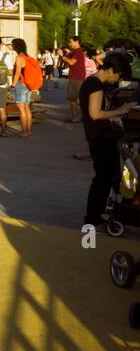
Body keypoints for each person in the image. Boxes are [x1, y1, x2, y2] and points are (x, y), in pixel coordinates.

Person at [79, 51, 138, 229]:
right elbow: (95, 114)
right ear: (111, 70)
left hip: (103, 137)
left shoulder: (97, 84)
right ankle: (92, 217)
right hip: (100, 138)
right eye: (119, 75)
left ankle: (110, 210)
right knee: (103, 178)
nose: (118, 79)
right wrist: (122, 110)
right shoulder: (95, 84)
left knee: (111, 176)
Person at [9, 37, 34, 138]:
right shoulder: (28, 57)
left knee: (21, 108)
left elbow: (17, 73)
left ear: (17, 46)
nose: (12, 46)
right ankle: (29, 131)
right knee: (27, 107)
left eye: (13, 44)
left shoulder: (19, 58)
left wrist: (12, 86)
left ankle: (24, 131)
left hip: (20, 84)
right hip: (28, 84)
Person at [64, 35, 87, 123]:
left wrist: (63, 57)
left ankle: (75, 118)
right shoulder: (76, 51)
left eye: (71, 42)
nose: (70, 44)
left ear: (77, 42)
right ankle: (82, 116)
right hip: (78, 77)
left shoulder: (78, 51)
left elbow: (71, 62)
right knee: (77, 99)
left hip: (76, 78)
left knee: (73, 99)